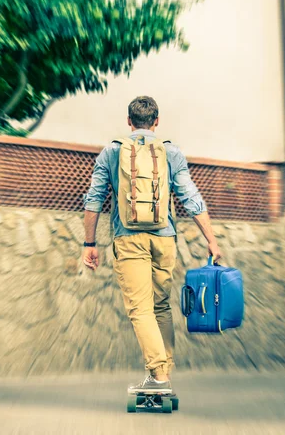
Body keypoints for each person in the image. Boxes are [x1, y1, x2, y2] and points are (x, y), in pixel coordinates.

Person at [82, 95, 222, 394]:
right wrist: (211, 240)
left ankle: (158, 378)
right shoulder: (171, 151)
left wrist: (89, 242)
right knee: (160, 307)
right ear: (156, 122)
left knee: (140, 309)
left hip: (128, 238)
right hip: (164, 239)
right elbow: (190, 198)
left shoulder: (112, 151)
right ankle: (163, 374)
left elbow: (93, 199)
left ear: (129, 121)